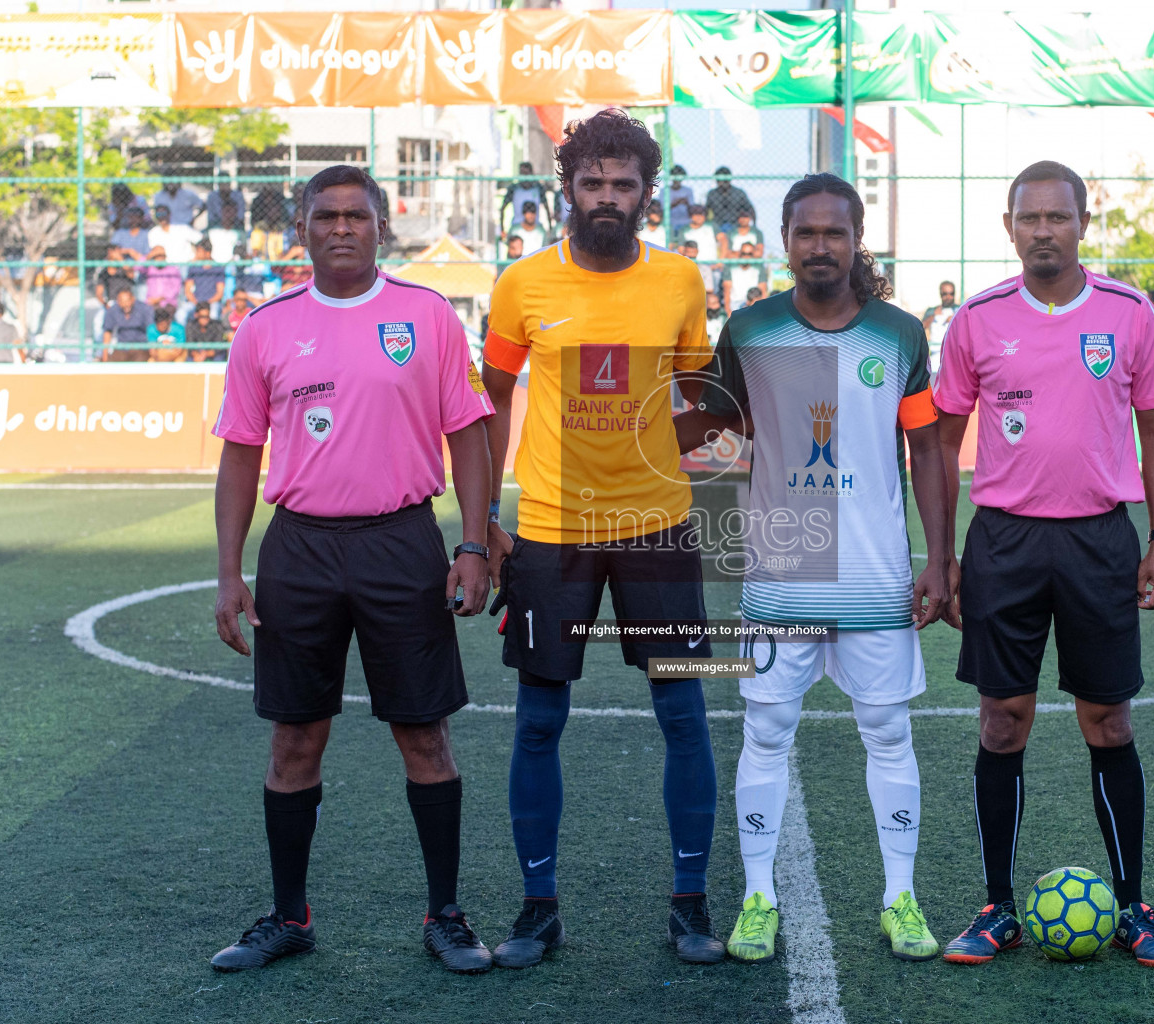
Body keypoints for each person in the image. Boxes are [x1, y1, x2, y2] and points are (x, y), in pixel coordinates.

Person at [208, 163, 496, 974]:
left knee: (424, 735)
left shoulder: (426, 315)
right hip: (298, 548)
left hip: (402, 542)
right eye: (327, 215)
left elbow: (468, 434)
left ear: (380, 227)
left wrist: (473, 542)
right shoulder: (265, 327)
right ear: (302, 227)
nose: (342, 228)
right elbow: (240, 456)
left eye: (357, 216)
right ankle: (289, 917)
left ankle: (446, 916)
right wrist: (230, 571)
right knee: (295, 739)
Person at [676, 172, 950, 966]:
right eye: (806, 233)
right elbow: (714, 427)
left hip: (873, 573)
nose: (820, 246)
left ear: (856, 239)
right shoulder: (750, 329)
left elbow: (927, 447)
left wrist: (940, 557)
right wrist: (652, 414)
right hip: (785, 565)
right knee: (765, 730)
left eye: (835, 232)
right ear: (785, 242)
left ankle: (901, 898)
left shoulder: (899, 335)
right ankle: (758, 897)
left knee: (888, 731)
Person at [478, 108, 723, 969]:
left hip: (656, 529)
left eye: (624, 184)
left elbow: (700, 398)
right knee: (539, 722)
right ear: (567, 190)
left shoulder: (682, 282)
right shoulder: (521, 285)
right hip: (549, 531)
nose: (608, 198)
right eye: (592, 183)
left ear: (647, 194)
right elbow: (492, 402)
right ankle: (537, 909)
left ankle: (690, 905)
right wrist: (483, 528)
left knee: (683, 714)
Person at [934, 159, 1154, 970]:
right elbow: (940, 440)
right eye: (1029, 217)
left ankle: (1133, 906)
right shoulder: (975, 319)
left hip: (1099, 540)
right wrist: (943, 556)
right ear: (1008, 227)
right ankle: (997, 907)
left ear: (1083, 222)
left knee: (1106, 721)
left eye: (1058, 216)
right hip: (1003, 541)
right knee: (1002, 721)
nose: (1044, 229)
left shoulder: (1128, 311)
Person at [501, 161, 555, 236]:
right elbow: (503, 208)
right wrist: (502, 229)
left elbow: (547, 208)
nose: (525, 177)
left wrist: (550, 228)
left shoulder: (538, 188)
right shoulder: (513, 189)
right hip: (517, 226)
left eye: (527, 174)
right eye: (522, 174)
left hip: (535, 227)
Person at [101, 286, 151, 362]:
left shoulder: (144, 309)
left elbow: (151, 330)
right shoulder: (113, 310)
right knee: (111, 363)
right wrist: (105, 355)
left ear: (133, 299)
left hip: (140, 348)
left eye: (127, 301)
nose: (126, 305)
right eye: (122, 301)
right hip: (122, 348)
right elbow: (107, 332)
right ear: (118, 301)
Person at [703, 166, 753, 236]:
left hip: (735, 225)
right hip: (717, 225)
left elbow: (750, 209)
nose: (722, 183)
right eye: (719, 180)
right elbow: (706, 211)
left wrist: (753, 225)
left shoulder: (739, 193)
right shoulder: (712, 194)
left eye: (725, 180)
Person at [185, 239, 226, 320]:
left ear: (208, 253)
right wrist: (196, 303)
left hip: (212, 303)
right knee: (181, 313)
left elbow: (220, 293)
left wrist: (207, 304)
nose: (196, 254)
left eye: (199, 252)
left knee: (213, 313)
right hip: (195, 302)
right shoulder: (194, 267)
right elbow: (188, 290)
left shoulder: (218, 268)